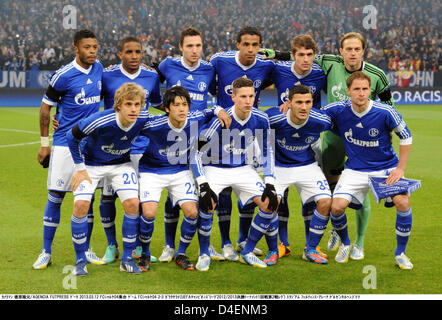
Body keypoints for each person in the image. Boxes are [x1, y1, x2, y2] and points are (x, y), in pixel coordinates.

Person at [262, 32, 395, 260]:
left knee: (359, 190)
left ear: (363, 51)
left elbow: (389, 106)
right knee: (329, 188)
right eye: (348, 49)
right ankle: (332, 229)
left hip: (362, 141)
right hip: (329, 137)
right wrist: (274, 54)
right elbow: (300, 55)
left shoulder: (377, 74)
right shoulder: (328, 63)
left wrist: (386, 137)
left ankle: (357, 243)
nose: (352, 53)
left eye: (357, 49)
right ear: (340, 51)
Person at [323, 71, 413, 269]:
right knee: (336, 207)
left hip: (386, 168)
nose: (361, 93)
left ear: (370, 91)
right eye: (356, 89)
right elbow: (315, 115)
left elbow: (406, 137)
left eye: (365, 89)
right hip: (355, 170)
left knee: (403, 202)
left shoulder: (384, 111)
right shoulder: (338, 109)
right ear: (348, 91)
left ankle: (401, 253)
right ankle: (346, 243)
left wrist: (400, 168)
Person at [136, 86, 231, 271]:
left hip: (180, 171)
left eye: (185, 104)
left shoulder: (194, 118)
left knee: (192, 212)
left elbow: (211, 109)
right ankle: (145, 254)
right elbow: (130, 128)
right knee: (148, 213)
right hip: (151, 171)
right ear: (166, 108)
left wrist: (220, 110)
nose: (181, 109)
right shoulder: (153, 125)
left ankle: (181, 253)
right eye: (176, 105)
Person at [33, 29, 104, 270]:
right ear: (76, 48)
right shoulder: (62, 76)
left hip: (90, 145)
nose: (92, 51)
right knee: (56, 196)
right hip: (64, 143)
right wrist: (45, 145)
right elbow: (45, 110)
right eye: (87, 47)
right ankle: (46, 251)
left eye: (95, 47)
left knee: (88, 200)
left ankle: (87, 249)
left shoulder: (100, 69)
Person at [191, 78, 279, 270]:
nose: (248, 101)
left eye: (251, 96)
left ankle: (247, 251)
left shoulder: (261, 118)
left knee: (271, 202)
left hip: (242, 169)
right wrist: (203, 184)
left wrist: (270, 182)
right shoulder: (220, 120)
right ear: (233, 97)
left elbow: (267, 151)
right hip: (215, 167)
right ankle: (204, 252)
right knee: (208, 203)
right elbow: (195, 153)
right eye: (243, 97)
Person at [66, 82, 153, 275]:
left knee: (132, 203)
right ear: (119, 105)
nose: (133, 109)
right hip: (91, 165)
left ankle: (127, 259)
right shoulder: (100, 120)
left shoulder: (143, 118)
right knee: (80, 206)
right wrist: (80, 168)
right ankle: (80, 260)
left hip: (121, 164)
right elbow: (72, 137)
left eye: (137, 104)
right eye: (128, 104)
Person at [209, 26, 275, 261]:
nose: (250, 49)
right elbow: (205, 87)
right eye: (245, 44)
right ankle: (226, 242)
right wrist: (216, 108)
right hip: (224, 129)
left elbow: (283, 79)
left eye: (255, 45)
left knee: (248, 189)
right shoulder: (219, 60)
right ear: (237, 44)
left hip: (250, 133)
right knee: (224, 191)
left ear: (260, 46)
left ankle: (243, 240)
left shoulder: (266, 65)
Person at [153, 27, 217, 263]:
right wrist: (165, 111)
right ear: (181, 47)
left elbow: (217, 95)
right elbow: (151, 87)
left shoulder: (209, 69)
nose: (194, 50)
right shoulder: (168, 65)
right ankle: (170, 246)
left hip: (201, 142)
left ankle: (205, 247)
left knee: (206, 192)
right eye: (189, 46)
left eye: (198, 45)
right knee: (173, 198)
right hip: (174, 140)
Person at [99, 36, 162, 264]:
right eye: (129, 52)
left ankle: (140, 249)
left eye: (138, 52)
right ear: (120, 54)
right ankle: (111, 246)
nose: (134, 56)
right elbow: (90, 102)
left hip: (140, 148)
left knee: (137, 200)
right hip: (112, 148)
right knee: (108, 197)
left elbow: (157, 103)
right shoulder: (107, 75)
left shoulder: (151, 76)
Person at [269, 34, 327, 259]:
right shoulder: (278, 71)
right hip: (282, 135)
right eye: (300, 54)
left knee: (311, 196)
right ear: (293, 55)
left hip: (310, 138)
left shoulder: (321, 74)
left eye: (309, 55)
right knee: (280, 196)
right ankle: (282, 243)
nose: (305, 59)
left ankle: (310, 245)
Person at [265, 84, 332, 265]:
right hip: (279, 167)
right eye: (299, 102)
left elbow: (341, 123)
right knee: (270, 203)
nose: (304, 107)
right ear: (289, 103)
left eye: (308, 102)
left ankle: (311, 249)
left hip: (307, 165)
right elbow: (254, 127)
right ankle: (275, 249)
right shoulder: (274, 117)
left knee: (326, 202)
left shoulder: (321, 120)